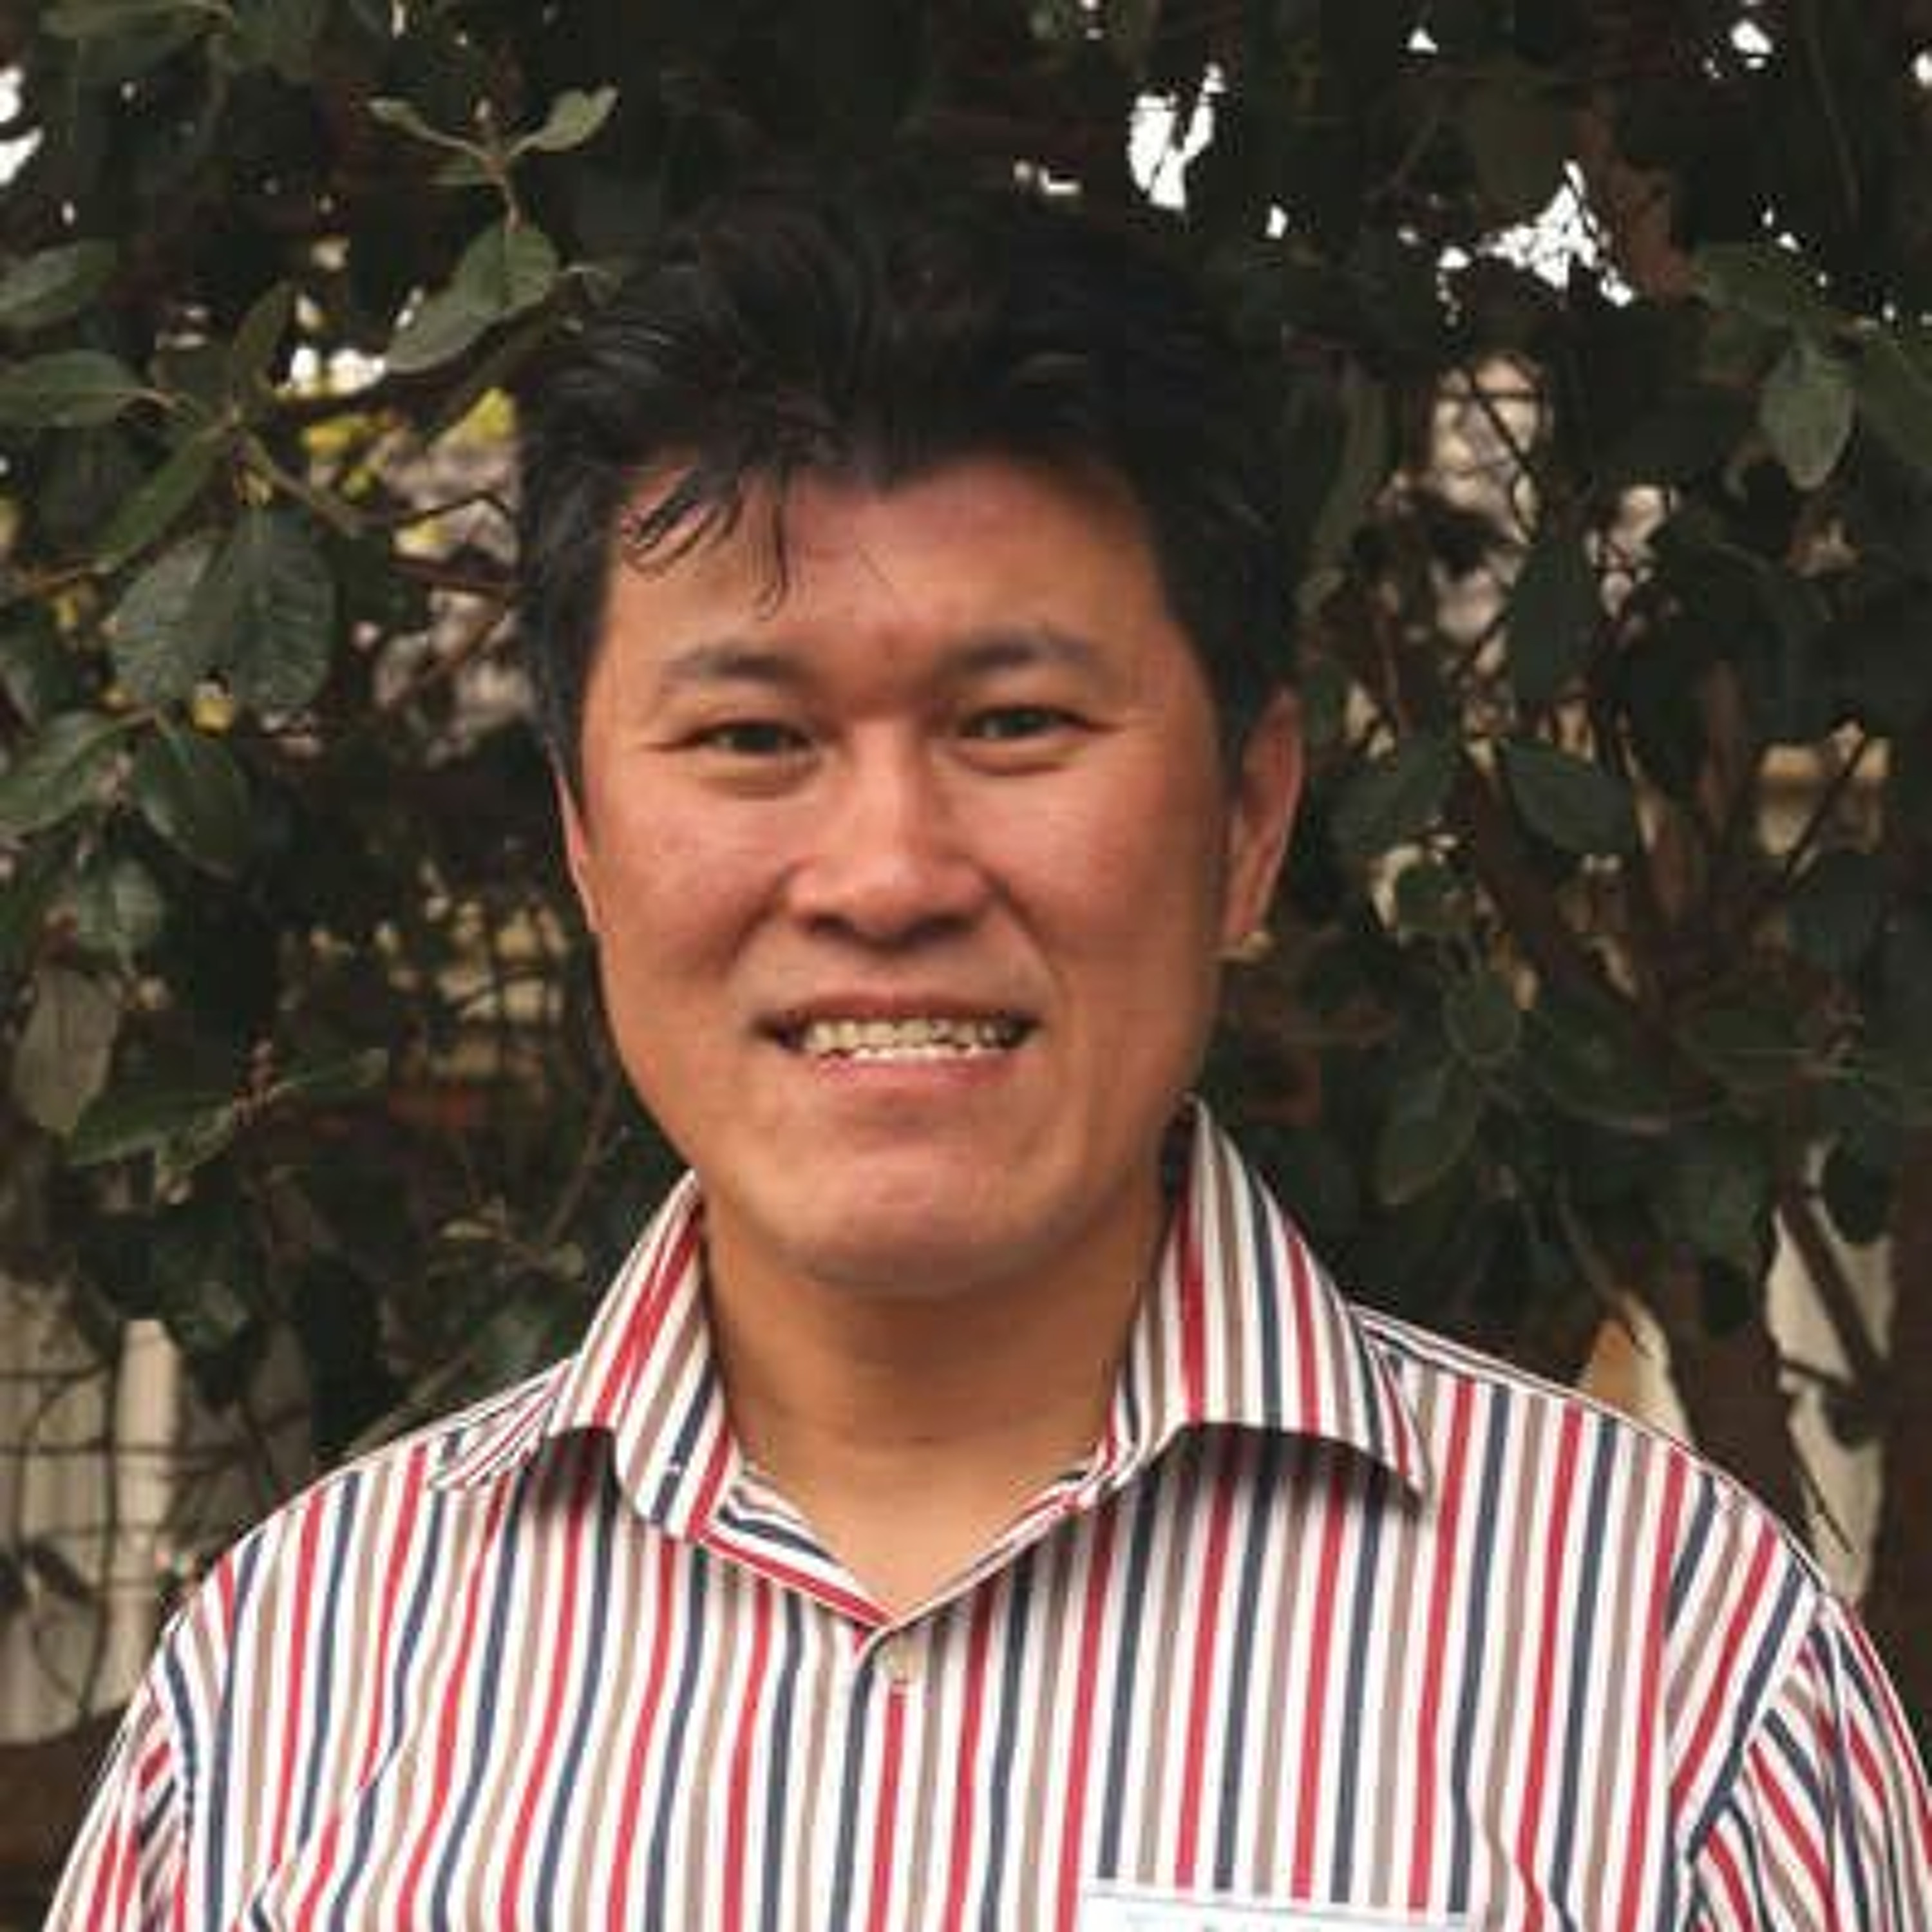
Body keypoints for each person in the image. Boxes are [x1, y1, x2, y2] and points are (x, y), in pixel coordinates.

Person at [49, 166, 1932, 1932]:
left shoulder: (1677, 1677)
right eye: (751, 738)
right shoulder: (292, 1696)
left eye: (1016, 723)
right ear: (587, 843)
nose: (888, 878)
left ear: (1250, 817)